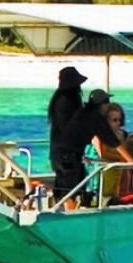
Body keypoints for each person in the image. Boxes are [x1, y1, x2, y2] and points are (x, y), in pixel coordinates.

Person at [46, 65, 92, 201]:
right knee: (70, 190)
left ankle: (64, 210)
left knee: (65, 186)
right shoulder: (69, 101)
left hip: (59, 152)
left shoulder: (59, 100)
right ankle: (68, 213)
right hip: (68, 154)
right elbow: (72, 127)